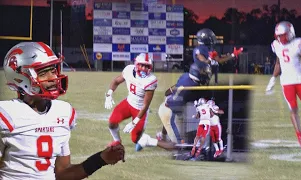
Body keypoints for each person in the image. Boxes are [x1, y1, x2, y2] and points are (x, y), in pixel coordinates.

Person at [0, 42, 125, 180]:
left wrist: (101, 159)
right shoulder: (6, 115)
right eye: (43, 73)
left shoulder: (63, 112)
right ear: (20, 77)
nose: (53, 78)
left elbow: (63, 173)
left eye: (53, 70)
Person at [104, 53, 175, 151]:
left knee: (135, 139)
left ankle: (149, 140)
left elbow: (145, 105)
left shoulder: (150, 80)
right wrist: (109, 94)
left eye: (147, 66)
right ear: (136, 64)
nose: (144, 68)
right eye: (142, 65)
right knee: (112, 122)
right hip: (128, 103)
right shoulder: (128, 70)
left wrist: (134, 123)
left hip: (140, 110)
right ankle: (117, 141)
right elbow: (116, 81)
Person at [265, 21, 301, 149]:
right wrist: (272, 79)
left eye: (283, 35)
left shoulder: (299, 43)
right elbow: (278, 64)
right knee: (293, 109)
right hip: (287, 82)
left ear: (290, 33)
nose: (280, 38)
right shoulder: (276, 45)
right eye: (278, 36)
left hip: (300, 80)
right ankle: (300, 137)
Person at [157, 62, 213, 144]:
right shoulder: (194, 87)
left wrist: (168, 92)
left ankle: (162, 135)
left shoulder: (186, 76)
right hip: (171, 112)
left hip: (167, 107)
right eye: (203, 72)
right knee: (180, 145)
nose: (206, 74)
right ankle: (148, 141)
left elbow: (174, 87)